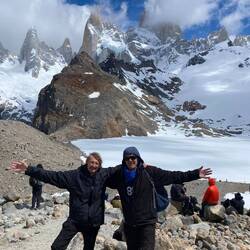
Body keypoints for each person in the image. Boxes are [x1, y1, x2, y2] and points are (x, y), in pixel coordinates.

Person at [106, 146, 212, 250]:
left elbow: (173, 176)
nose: (130, 160)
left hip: (146, 223)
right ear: (124, 160)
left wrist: (195, 174)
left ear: (138, 158)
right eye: (127, 158)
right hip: (129, 223)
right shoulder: (119, 174)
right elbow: (102, 175)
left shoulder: (149, 172)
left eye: (133, 157)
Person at [10, 152, 117, 250]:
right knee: (57, 246)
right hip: (75, 220)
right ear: (86, 163)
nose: (94, 165)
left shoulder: (103, 175)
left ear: (99, 165)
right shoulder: (75, 176)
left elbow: (119, 170)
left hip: (93, 223)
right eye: (91, 162)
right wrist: (29, 169)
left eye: (96, 163)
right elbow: (53, 176)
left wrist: (131, 163)